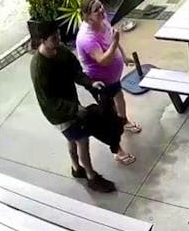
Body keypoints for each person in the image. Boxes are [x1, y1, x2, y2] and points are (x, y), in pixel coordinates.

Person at [31, 29, 130, 193]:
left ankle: (76, 168)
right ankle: (91, 177)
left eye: (58, 35)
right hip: (58, 113)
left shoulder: (60, 50)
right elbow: (48, 101)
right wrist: (74, 109)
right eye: (54, 37)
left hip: (70, 102)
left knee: (72, 139)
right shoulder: (39, 67)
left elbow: (76, 71)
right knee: (82, 140)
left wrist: (90, 83)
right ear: (42, 40)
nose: (59, 40)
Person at [75, 0, 141, 166]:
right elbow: (103, 60)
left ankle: (124, 121)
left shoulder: (103, 21)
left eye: (101, 7)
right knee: (109, 119)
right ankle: (117, 150)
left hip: (113, 79)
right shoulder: (86, 38)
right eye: (96, 10)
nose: (102, 11)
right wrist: (116, 43)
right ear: (87, 16)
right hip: (100, 83)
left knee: (120, 97)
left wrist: (123, 56)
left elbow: (112, 39)